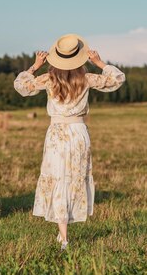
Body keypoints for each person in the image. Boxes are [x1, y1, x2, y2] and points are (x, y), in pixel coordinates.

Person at [13, 34, 126, 250]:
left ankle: (63, 236)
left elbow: (21, 86)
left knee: (58, 178)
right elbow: (117, 79)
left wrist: (34, 66)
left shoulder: (48, 79)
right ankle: (65, 231)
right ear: (80, 57)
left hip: (56, 133)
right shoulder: (87, 78)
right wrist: (99, 62)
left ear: (56, 58)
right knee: (72, 178)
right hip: (78, 131)